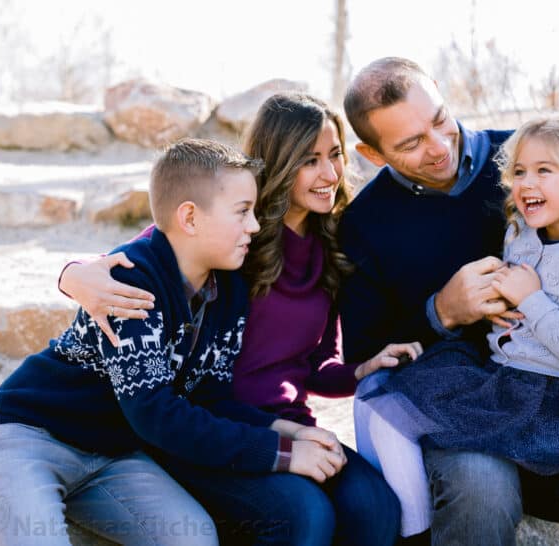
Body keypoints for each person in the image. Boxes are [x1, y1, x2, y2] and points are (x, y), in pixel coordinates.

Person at [58, 94, 421, 545]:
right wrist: (70, 275)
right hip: (212, 422)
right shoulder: (232, 234)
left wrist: (360, 371)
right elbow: (143, 254)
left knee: (375, 506)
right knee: (304, 515)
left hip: (285, 421)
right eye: (310, 160)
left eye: (335, 156)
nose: (330, 174)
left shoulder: (332, 243)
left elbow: (314, 366)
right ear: (279, 162)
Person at [338, 57, 559, 544]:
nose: (440, 146)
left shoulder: (527, 156)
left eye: (439, 119)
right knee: (481, 488)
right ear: (372, 153)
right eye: (411, 143)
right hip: (458, 405)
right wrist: (441, 311)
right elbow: (366, 351)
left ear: (441, 92)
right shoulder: (364, 223)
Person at [0, 139, 346, 546]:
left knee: (195, 539)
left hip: (114, 458)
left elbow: (210, 399)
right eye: (242, 212)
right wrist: (281, 454)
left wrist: (286, 429)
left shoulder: (230, 289)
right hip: (31, 437)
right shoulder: (132, 282)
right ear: (189, 217)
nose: (254, 226)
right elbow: (155, 413)